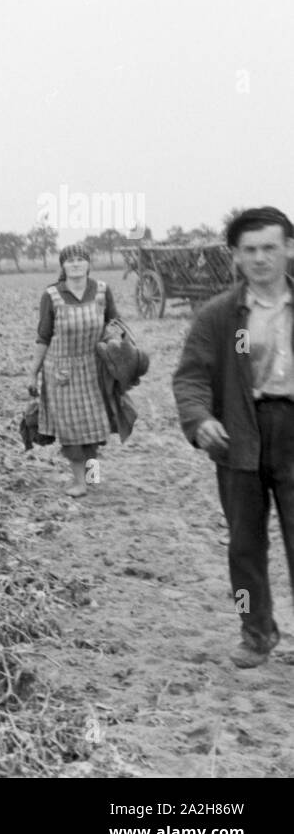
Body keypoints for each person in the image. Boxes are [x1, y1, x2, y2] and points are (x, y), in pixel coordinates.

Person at [174, 206, 294, 668]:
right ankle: (254, 630)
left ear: (288, 248)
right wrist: (200, 419)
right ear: (236, 257)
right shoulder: (222, 316)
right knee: (245, 546)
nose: (261, 258)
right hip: (240, 436)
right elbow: (191, 377)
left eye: (270, 247)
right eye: (250, 250)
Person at [28, 243, 120, 498]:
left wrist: (115, 344)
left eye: (81, 259)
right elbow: (43, 336)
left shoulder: (102, 291)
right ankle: (79, 481)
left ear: (89, 264)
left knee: (93, 426)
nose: (76, 264)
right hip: (61, 372)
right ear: (63, 266)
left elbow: (114, 323)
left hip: (93, 368)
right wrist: (32, 373)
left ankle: (92, 475)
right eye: (70, 260)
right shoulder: (52, 295)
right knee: (71, 430)